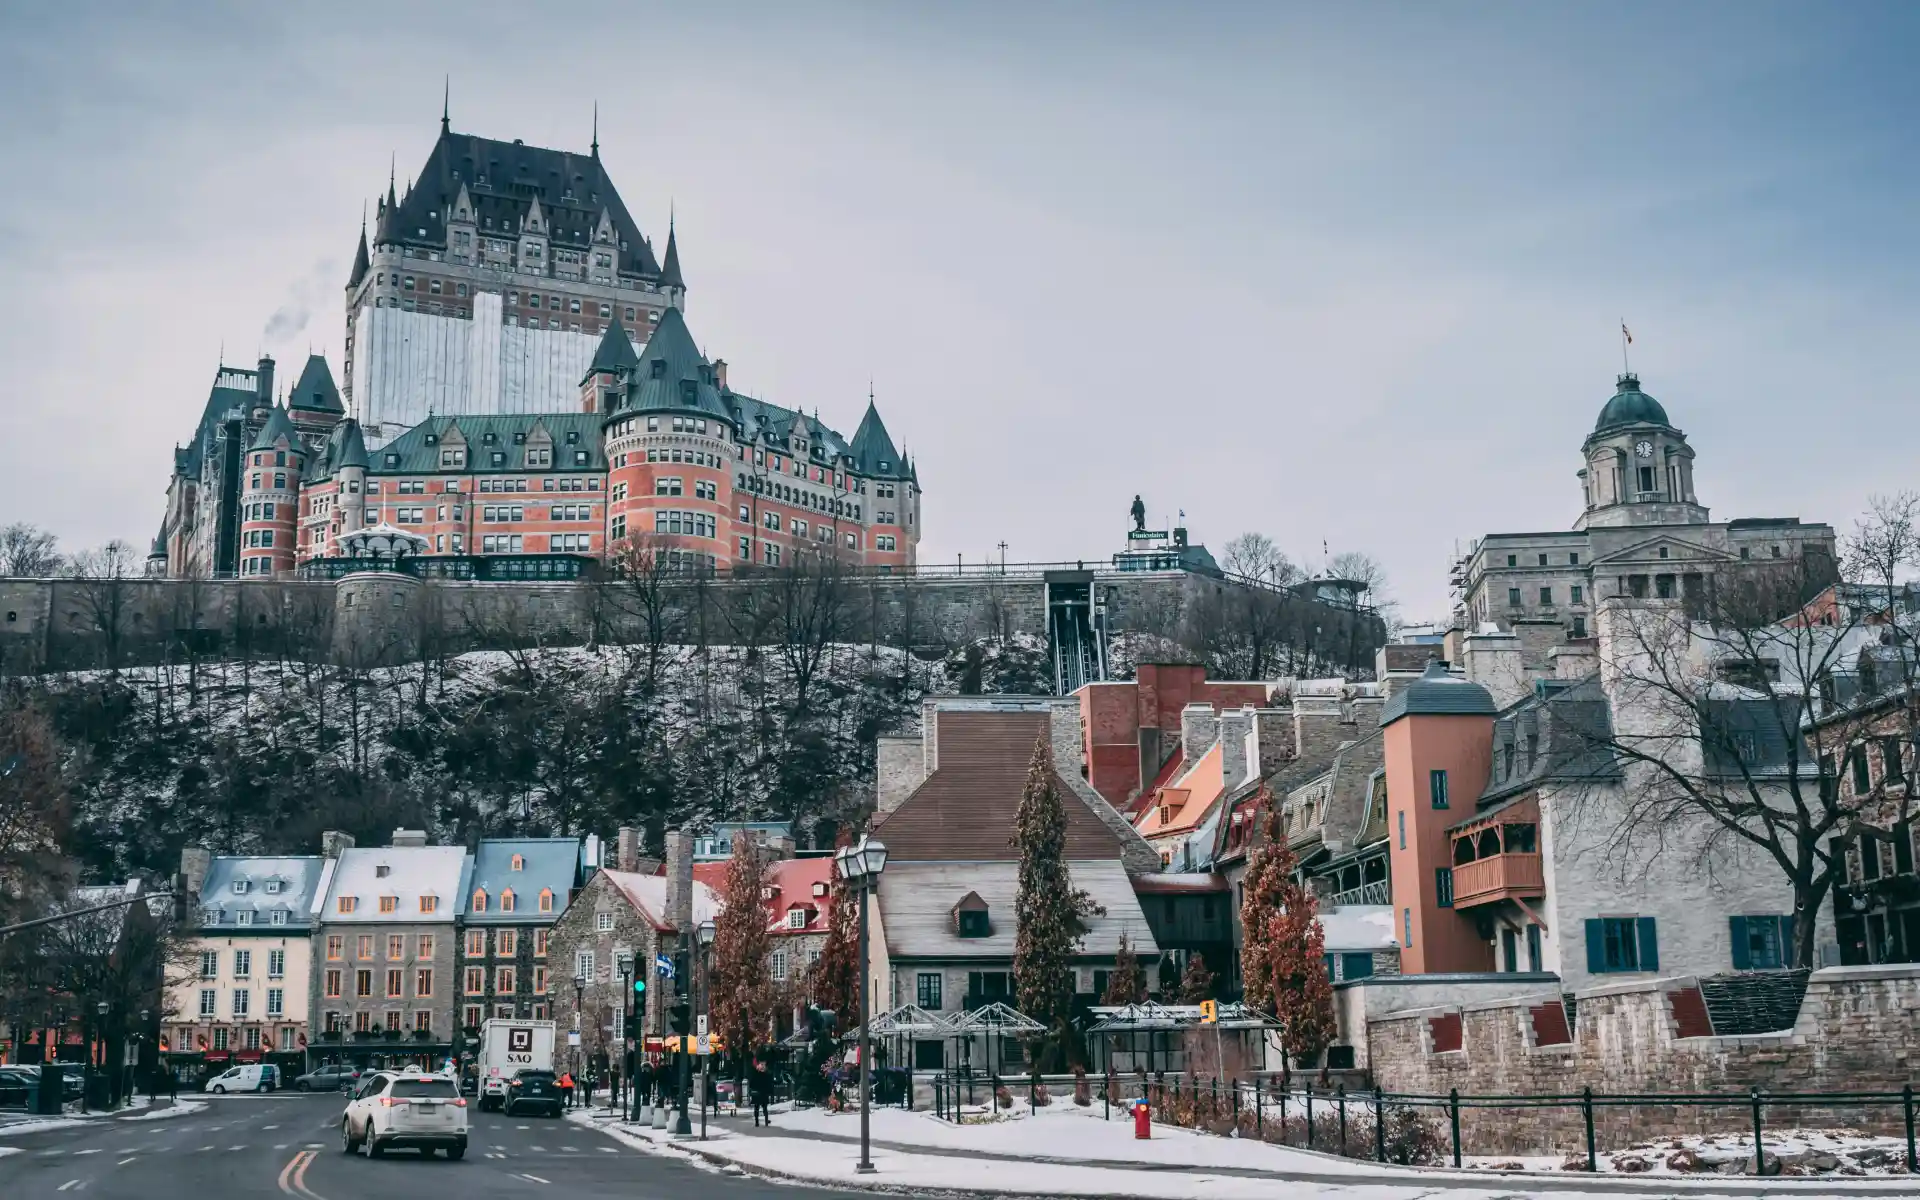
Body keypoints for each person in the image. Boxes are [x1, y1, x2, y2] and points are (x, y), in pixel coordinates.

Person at [749, 1058, 772, 1127]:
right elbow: (769, 1085)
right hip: (764, 1093)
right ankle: (766, 1121)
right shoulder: (766, 1075)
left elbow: (751, 1084)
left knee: (756, 1108)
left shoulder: (755, 1074)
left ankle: (757, 1122)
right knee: (765, 1108)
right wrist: (769, 1092)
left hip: (756, 1093)